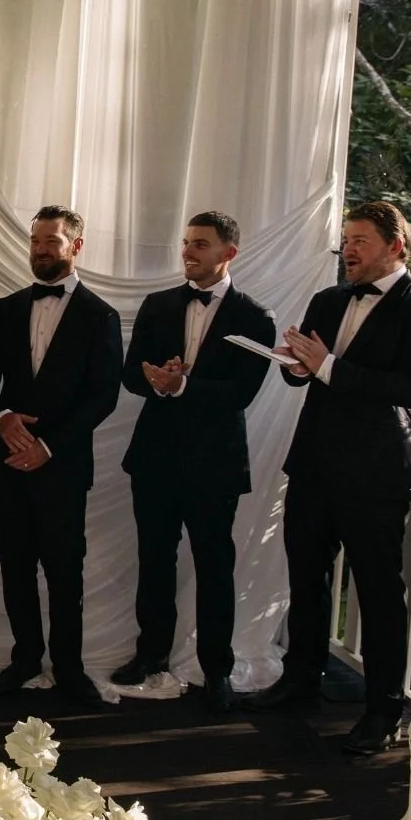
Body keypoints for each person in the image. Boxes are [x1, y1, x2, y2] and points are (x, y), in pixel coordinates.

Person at [244, 200, 411, 755]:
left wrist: (326, 365)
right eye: (346, 240)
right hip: (313, 464)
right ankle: (300, 680)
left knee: (379, 593)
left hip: (373, 475)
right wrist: (295, 365)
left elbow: (408, 389)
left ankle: (384, 711)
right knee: (305, 578)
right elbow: (305, 377)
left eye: (360, 240)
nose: (348, 250)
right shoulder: (329, 300)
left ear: (395, 246)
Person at [112, 212, 275, 714]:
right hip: (155, 457)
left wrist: (182, 385)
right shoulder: (158, 304)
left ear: (229, 252)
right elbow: (131, 376)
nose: (187, 252)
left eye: (200, 244)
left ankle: (217, 669)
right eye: (186, 242)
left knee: (214, 566)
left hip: (215, 463)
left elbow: (241, 393)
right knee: (154, 560)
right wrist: (156, 378)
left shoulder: (256, 317)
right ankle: (151, 654)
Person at [0, 206, 122, 709]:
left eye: (51, 241)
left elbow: (103, 397)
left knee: (64, 570)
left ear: (75, 246)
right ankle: (25, 659)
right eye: (35, 241)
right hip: (7, 461)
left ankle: (69, 667)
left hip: (63, 465)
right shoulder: (8, 308)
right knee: (15, 566)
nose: (39, 249)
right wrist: (2, 419)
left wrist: (48, 446)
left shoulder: (100, 316)